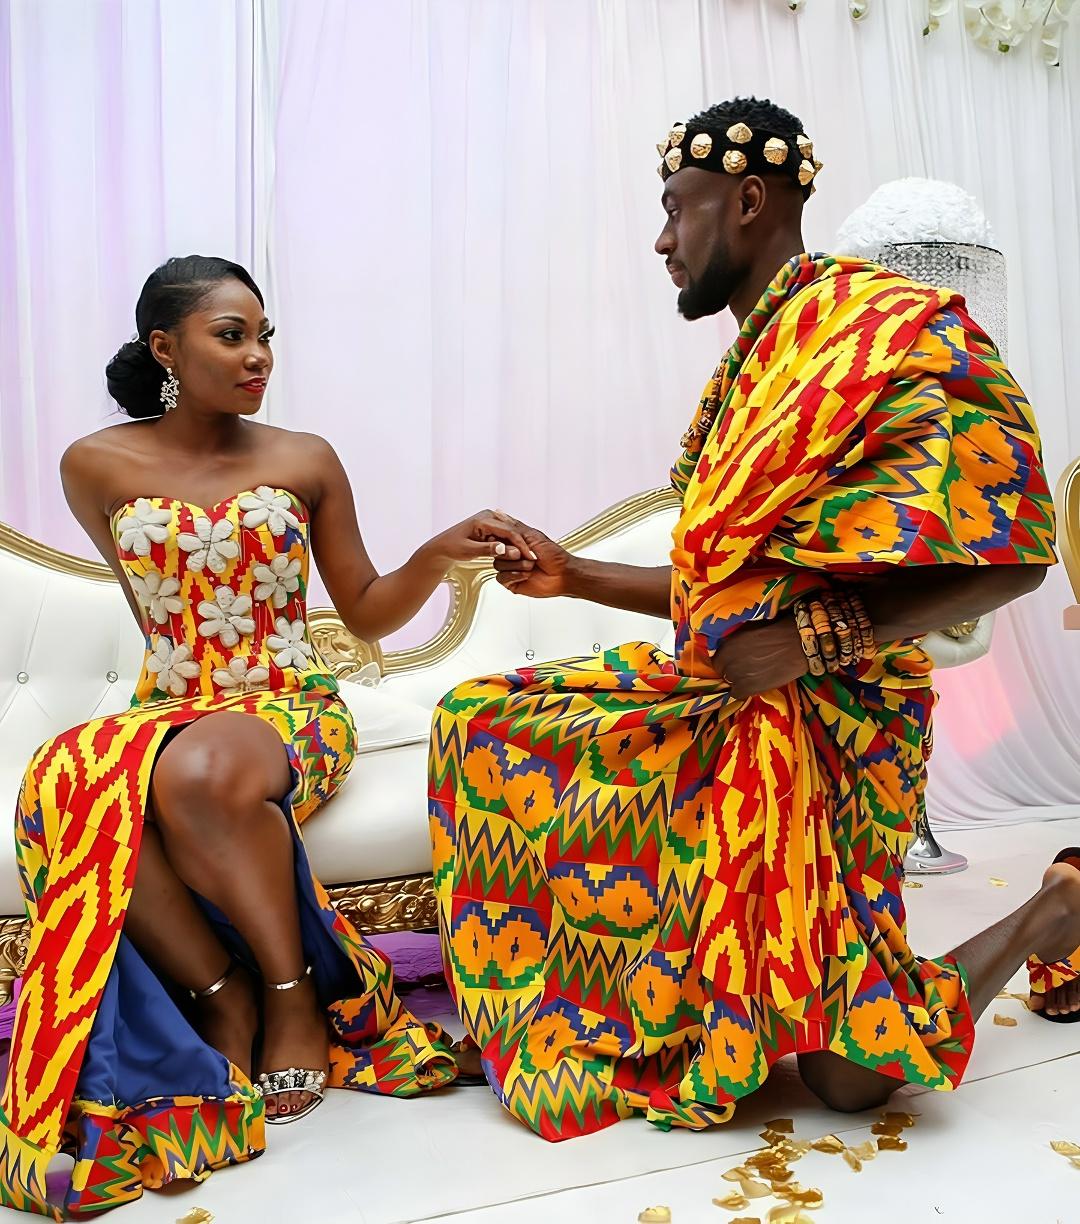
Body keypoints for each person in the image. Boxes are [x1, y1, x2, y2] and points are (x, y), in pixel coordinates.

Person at [427, 97, 1080, 1144]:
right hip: (729, 694)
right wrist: (573, 574)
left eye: (674, 210)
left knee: (850, 1082)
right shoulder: (753, 364)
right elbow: (726, 590)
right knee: (485, 720)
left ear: (746, 200)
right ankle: (608, 1009)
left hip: (837, 724)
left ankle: (1057, 907)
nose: (662, 241)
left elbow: (1016, 553)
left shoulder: (884, 326)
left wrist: (815, 643)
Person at [2, 255, 529, 1216]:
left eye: (265, 336)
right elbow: (156, 606)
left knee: (201, 770)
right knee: (65, 781)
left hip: (289, 702)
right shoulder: (95, 464)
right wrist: (181, 700)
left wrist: (433, 554)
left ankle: (292, 995)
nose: (259, 356)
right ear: (166, 348)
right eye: (231, 336)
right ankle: (221, 993)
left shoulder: (304, 457)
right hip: (169, 706)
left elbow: (365, 611)